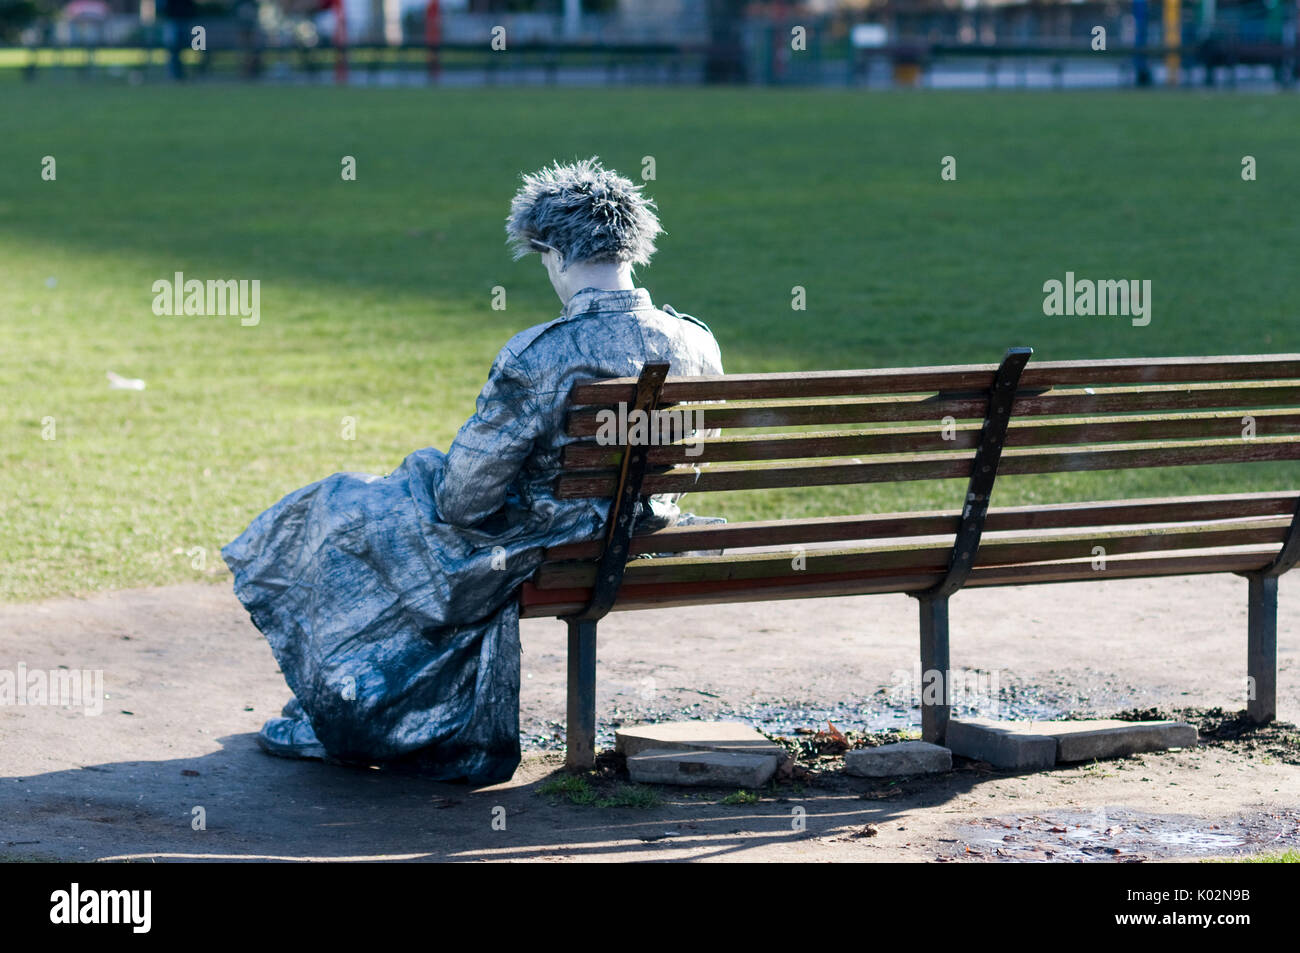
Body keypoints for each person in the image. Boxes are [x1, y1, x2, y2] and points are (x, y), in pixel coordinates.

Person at [222, 158, 724, 783]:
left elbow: (464, 502)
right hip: (642, 529)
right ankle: (365, 704)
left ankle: (353, 710)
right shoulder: (695, 342)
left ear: (553, 253)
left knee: (343, 511)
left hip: (554, 544)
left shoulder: (540, 353)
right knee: (384, 522)